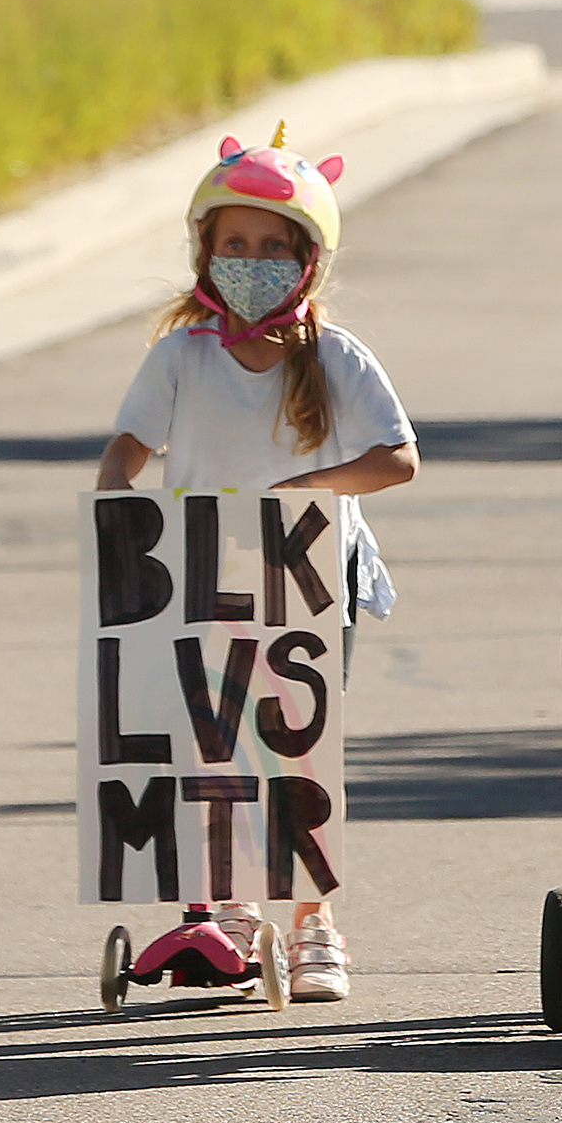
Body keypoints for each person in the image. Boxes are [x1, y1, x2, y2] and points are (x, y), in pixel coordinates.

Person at [94, 129, 418, 1003]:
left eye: (274, 248)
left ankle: (315, 920)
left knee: (297, 750)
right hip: (201, 578)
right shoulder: (182, 357)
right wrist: (120, 503)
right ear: (206, 250)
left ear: (308, 261)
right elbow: (127, 449)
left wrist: (308, 486)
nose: (252, 262)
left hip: (309, 578)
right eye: (235, 245)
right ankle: (231, 908)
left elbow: (396, 458)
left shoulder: (335, 358)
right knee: (213, 753)